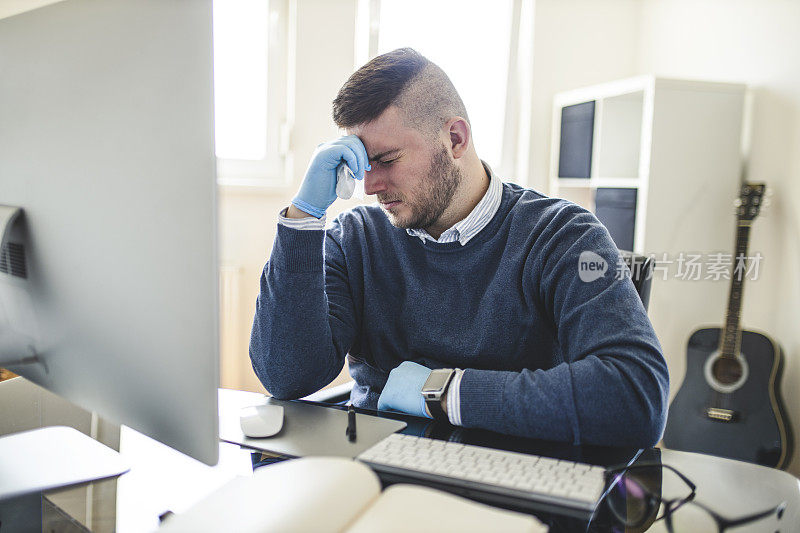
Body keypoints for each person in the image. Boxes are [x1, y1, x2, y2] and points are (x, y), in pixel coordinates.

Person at [249, 48, 669, 447]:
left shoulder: (561, 235)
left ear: (454, 138)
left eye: (388, 160)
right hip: (378, 477)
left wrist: (443, 390)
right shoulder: (354, 238)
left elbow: (636, 394)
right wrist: (303, 219)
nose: (370, 186)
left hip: (509, 478)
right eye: (361, 164)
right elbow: (287, 376)